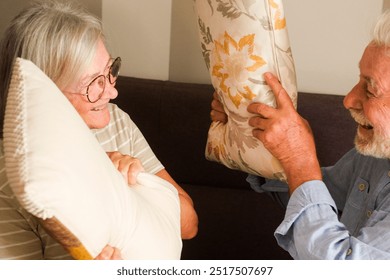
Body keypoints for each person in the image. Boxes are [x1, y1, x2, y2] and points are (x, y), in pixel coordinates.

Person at [0, 1, 198, 260]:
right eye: (94, 83)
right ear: (48, 92)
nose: (113, 91)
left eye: (110, 71)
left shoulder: (115, 122)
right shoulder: (12, 177)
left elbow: (189, 224)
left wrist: (136, 184)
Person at [211, 10, 390, 259]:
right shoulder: (376, 154)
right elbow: (314, 200)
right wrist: (252, 130)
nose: (349, 100)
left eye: (370, 90)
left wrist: (299, 159)